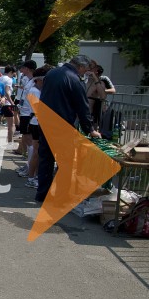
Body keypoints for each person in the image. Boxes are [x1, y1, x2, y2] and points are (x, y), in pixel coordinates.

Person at [35, 55, 100, 203]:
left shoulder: (52, 73)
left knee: (46, 159)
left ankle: (42, 193)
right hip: (62, 124)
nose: (85, 73)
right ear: (81, 67)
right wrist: (90, 129)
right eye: (85, 70)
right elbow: (82, 107)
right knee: (66, 161)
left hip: (46, 121)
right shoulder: (75, 79)